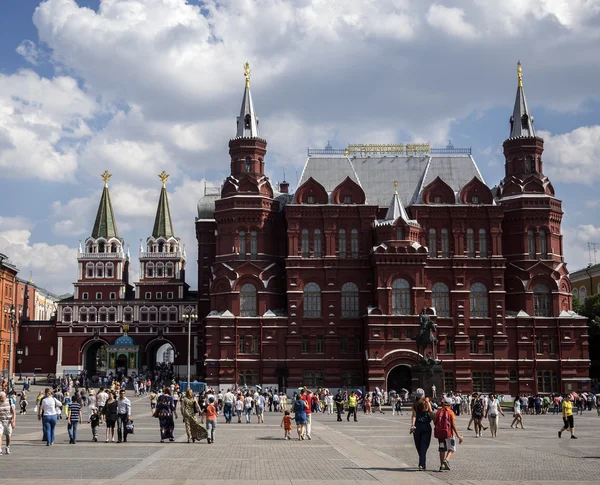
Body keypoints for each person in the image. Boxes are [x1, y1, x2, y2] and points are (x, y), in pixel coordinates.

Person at [434, 397, 463, 472]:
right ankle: (446, 460)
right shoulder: (450, 412)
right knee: (451, 448)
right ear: (450, 404)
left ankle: (442, 466)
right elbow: (453, 425)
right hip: (449, 434)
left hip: (440, 434)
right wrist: (458, 435)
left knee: (442, 449)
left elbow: (434, 421)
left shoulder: (439, 411)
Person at [410, 388, 435, 471]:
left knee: (419, 446)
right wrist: (435, 421)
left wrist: (413, 425)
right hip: (426, 426)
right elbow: (431, 413)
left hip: (417, 427)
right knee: (424, 446)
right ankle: (422, 464)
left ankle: (422, 463)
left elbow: (414, 415)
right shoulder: (427, 403)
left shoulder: (414, 404)